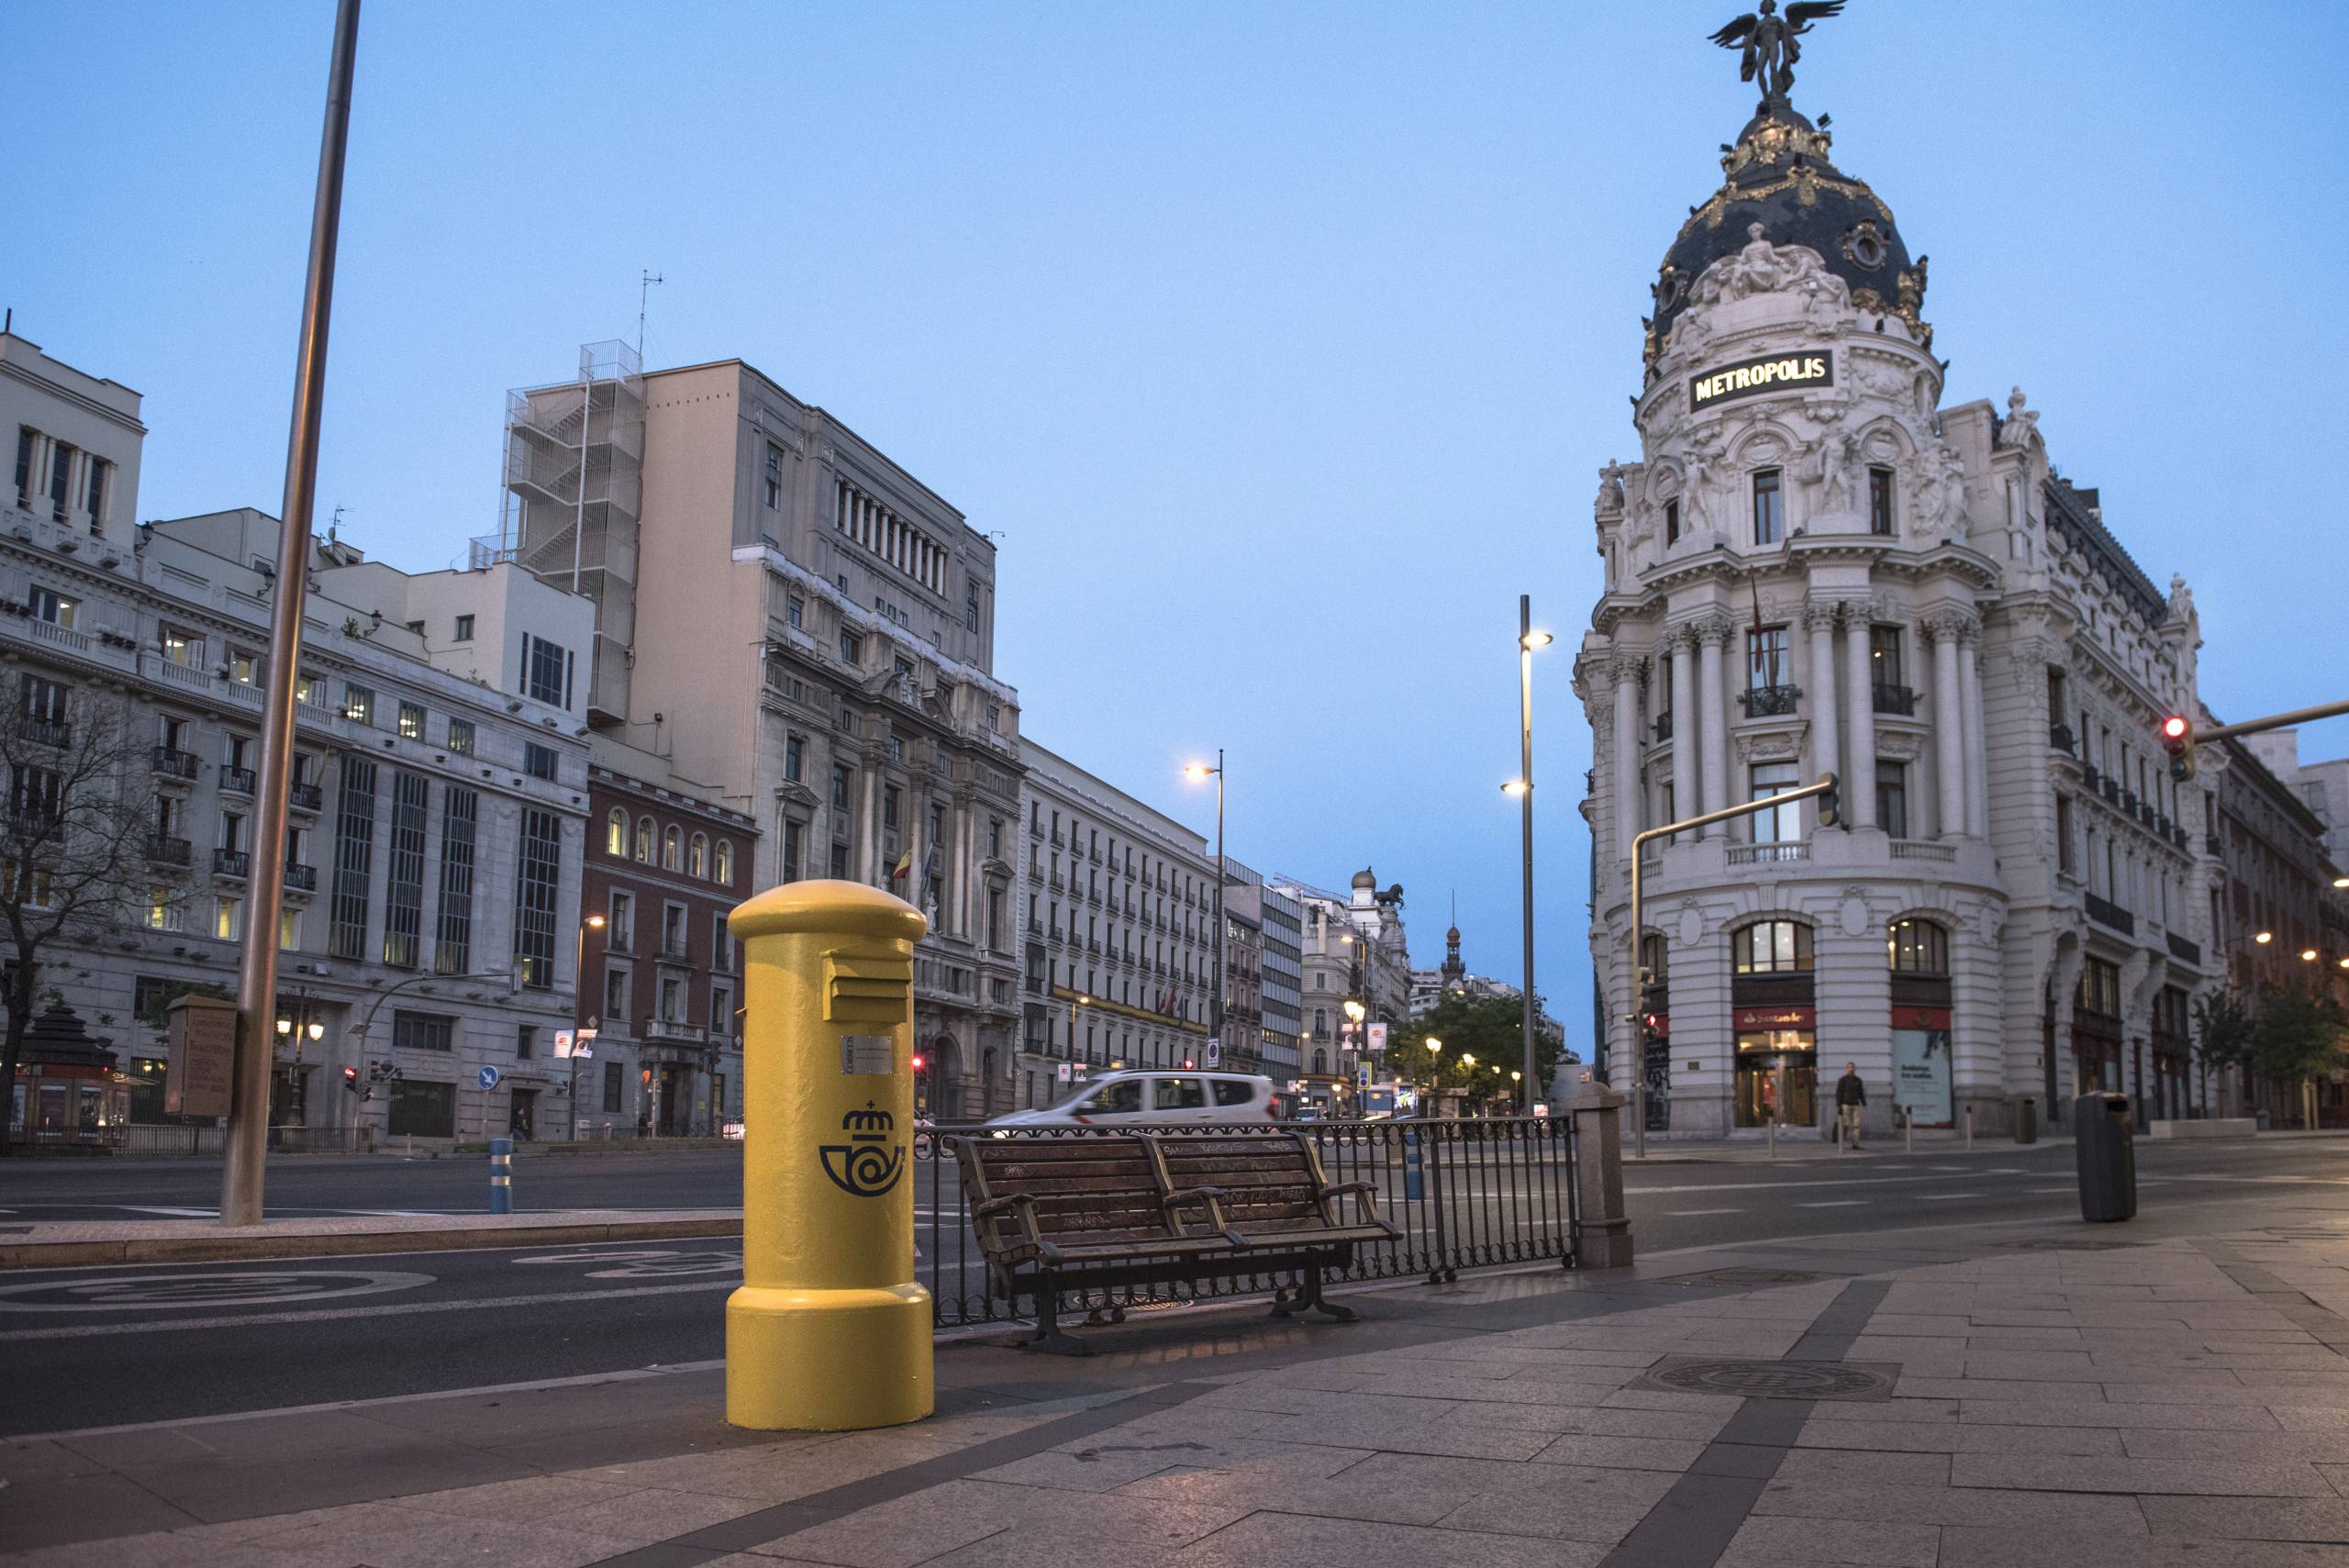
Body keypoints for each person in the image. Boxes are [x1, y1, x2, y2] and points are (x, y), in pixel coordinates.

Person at [1835, 1063, 1866, 1149]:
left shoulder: (1858, 1080)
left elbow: (1861, 1092)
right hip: (1846, 1104)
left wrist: (1864, 1102)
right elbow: (1839, 1092)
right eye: (1849, 1068)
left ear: (1855, 1069)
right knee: (1846, 1124)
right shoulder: (1843, 1080)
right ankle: (1842, 1141)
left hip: (1855, 1104)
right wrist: (1838, 1104)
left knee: (1857, 1125)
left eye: (1852, 1067)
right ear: (1846, 1069)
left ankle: (1855, 1143)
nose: (1851, 1069)